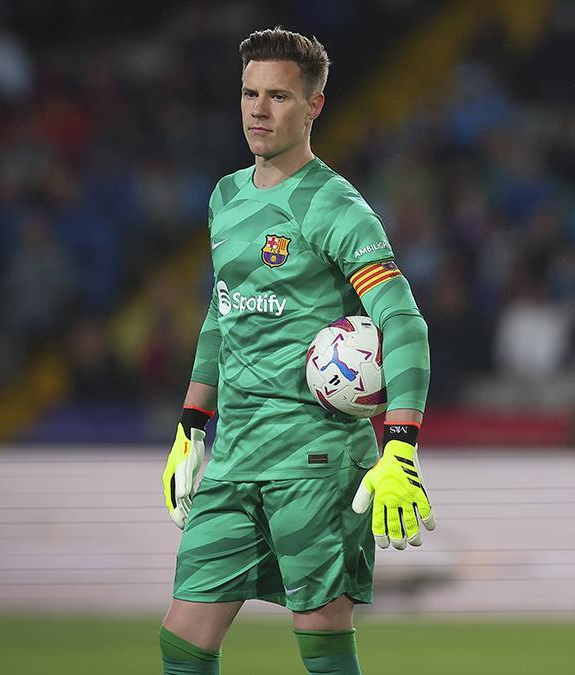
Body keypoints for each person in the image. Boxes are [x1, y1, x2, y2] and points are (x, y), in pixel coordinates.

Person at [158, 28, 434, 675]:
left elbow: (403, 321)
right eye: (249, 94)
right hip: (235, 456)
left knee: (321, 641)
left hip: (316, 459)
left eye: (277, 96)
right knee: (183, 639)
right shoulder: (225, 197)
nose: (258, 109)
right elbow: (222, 312)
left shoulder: (336, 207)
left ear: (314, 105)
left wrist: (400, 445)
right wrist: (191, 425)